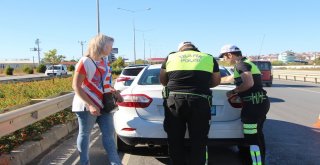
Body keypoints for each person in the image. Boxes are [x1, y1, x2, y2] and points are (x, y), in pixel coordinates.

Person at [160, 41, 221, 165]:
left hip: (174, 102)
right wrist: (201, 85)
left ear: (180, 50)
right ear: (195, 49)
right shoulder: (208, 57)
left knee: (175, 139)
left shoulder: (171, 57)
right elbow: (216, 81)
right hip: (199, 101)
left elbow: (163, 80)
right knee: (199, 140)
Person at [72, 34, 122, 165]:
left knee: (109, 136)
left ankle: (116, 162)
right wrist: (90, 104)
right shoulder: (85, 61)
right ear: (101, 45)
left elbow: (104, 83)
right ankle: (84, 163)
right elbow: (76, 86)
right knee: (85, 134)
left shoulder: (105, 62)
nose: (111, 49)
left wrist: (115, 92)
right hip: (87, 105)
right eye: (109, 46)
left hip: (104, 105)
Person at [219, 44, 270, 165]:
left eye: (224, 57)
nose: (224, 60)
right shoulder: (247, 63)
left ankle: (254, 163)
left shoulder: (240, 65)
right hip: (260, 103)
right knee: (258, 135)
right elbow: (229, 78)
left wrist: (233, 91)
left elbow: (248, 83)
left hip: (253, 106)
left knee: (251, 139)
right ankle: (259, 161)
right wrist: (214, 80)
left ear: (230, 55)